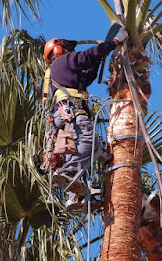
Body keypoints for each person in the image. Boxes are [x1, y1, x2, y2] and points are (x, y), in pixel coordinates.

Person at [43, 25, 128, 210]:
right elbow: (87, 56)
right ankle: (71, 172)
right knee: (86, 141)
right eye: (67, 48)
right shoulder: (64, 61)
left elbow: (86, 77)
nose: (71, 50)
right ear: (59, 49)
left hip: (62, 116)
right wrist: (113, 43)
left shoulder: (59, 72)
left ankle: (77, 197)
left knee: (86, 149)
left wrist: (101, 57)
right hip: (71, 110)